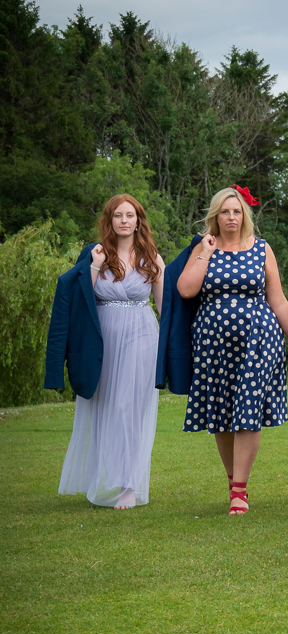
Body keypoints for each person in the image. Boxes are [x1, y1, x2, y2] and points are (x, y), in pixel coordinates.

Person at [176, 185, 288, 514]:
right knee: (221, 413)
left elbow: (276, 298)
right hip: (213, 346)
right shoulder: (204, 247)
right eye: (224, 212)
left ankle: (239, 491)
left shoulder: (261, 249)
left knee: (248, 408)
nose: (231, 217)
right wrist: (205, 250)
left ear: (244, 216)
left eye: (236, 211)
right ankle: (233, 480)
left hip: (259, 341)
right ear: (215, 217)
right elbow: (186, 289)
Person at [46, 194, 165, 509]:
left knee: (130, 410)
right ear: (109, 221)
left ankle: (130, 484)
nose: (124, 221)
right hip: (103, 340)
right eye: (118, 215)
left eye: (130, 215)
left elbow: (165, 310)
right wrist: (95, 268)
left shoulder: (151, 257)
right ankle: (107, 477)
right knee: (105, 407)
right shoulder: (95, 254)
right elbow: (79, 297)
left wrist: (171, 356)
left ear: (138, 220)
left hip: (142, 336)